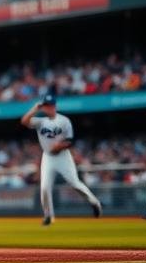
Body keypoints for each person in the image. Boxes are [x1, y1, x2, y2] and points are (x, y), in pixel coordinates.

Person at [19, 95, 102, 226]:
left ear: (55, 106)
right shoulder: (41, 121)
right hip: (48, 157)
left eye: (51, 105)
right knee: (45, 187)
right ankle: (48, 216)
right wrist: (34, 109)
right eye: (46, 105)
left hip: (63, 156)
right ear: (44, 107)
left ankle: (95, 203)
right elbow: (24, 121)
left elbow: (70, 141)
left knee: (75, 183)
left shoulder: (64, 121)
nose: (49, 107)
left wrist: (59, 146)